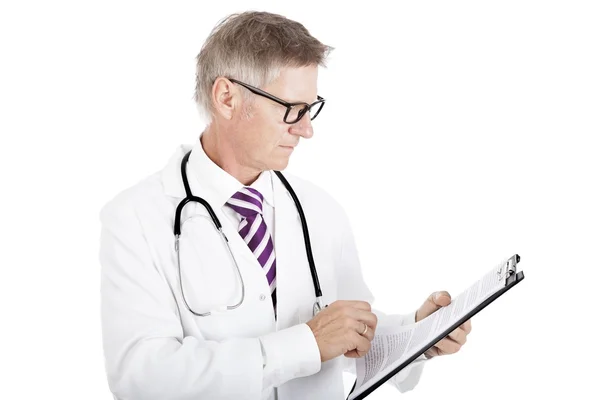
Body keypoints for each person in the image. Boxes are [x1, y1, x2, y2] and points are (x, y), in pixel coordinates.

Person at [99, 11, 472, 400]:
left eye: (311, 108)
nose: (306, 129)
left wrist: (418, 336)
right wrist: (304, 344)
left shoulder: (320, 210)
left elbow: (351, 343)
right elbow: (143, 380)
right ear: (227, 97)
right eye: (291, 108)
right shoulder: (134, 219)